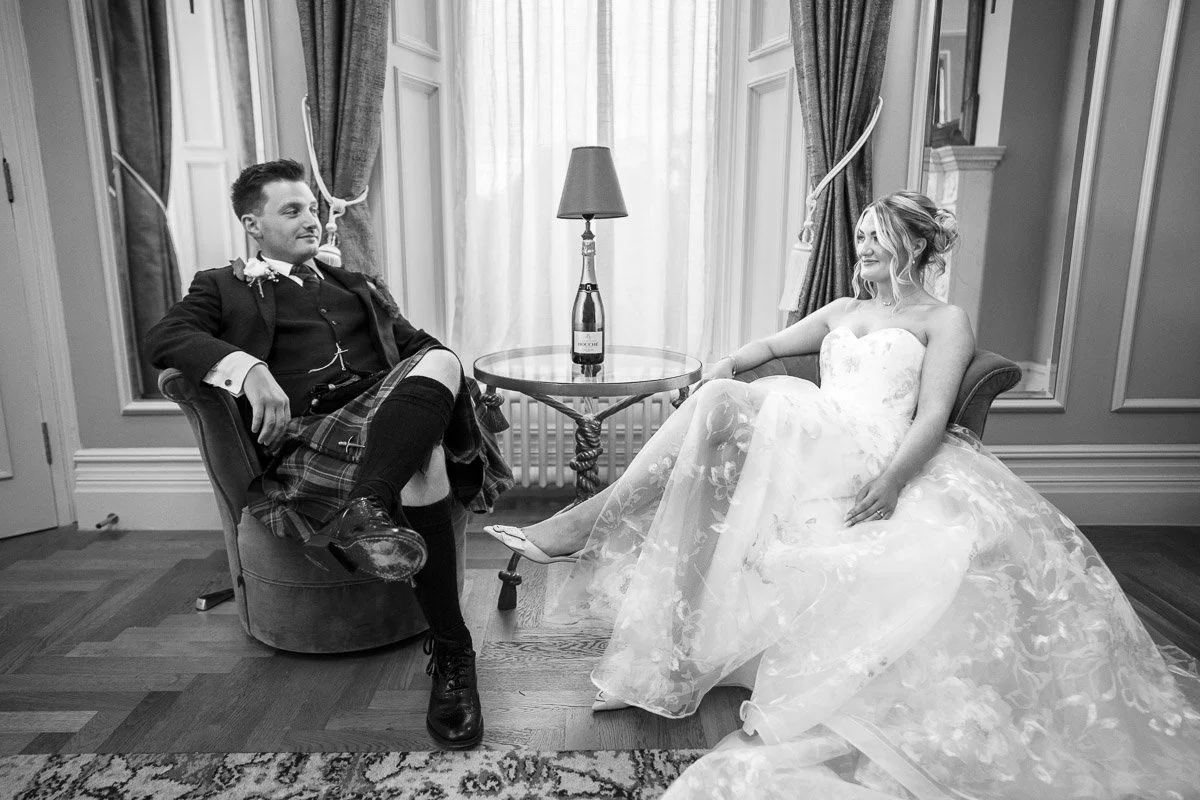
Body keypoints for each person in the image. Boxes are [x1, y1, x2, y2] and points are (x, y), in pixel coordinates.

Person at [485, 191, 1200, 797]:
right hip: (814, 439)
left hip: (872, 448)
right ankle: (593, 523)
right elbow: (764, 349)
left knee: (743, 401)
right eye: (857, 236)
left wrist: (892, 482)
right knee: (725, 393)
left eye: (875, 236)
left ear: (916, 244)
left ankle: (587, 521)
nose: (861, 246)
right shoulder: (836, 308)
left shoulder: (941, 321)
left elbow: (931, 415)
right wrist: (727, 366)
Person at [146, 159, 511, 750]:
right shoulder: (222, 285)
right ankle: (451, 647)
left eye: (311, 208)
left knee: (442, 361)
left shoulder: (355, 285)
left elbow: (422, 349)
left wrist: (429, 374)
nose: (310, 219)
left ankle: (442, 637)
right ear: (252, 225)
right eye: (291, 210)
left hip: (381, 420)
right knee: (428, 460)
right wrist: (248, 366)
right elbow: (165, 338)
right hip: (309, 436)